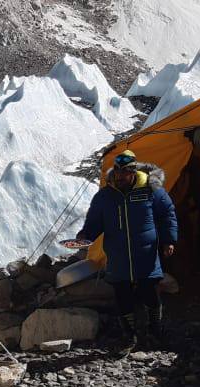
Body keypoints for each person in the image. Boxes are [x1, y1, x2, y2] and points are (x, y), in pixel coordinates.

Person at [76, 149, 178, 352]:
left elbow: (167, 214)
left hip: (145, 251)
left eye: (126, 172)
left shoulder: (151, 189)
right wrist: (85, 236)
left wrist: (169, 240)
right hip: (118, 253)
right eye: (118, 171)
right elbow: (95, 222)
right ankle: (128, 336)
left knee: (149, 290)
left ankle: (155, 330)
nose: (121, 176)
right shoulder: (105, 196)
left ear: (133, 172)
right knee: (121, 293)